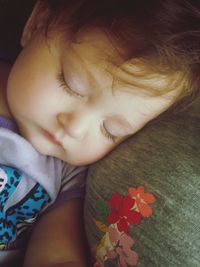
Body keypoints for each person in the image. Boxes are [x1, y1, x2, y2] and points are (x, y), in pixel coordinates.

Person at [0, 0, 199, 266]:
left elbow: (56, 255)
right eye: (71, 84)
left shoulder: (69, 176)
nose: (74, 127)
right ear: (38, 23)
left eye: (110, 130)